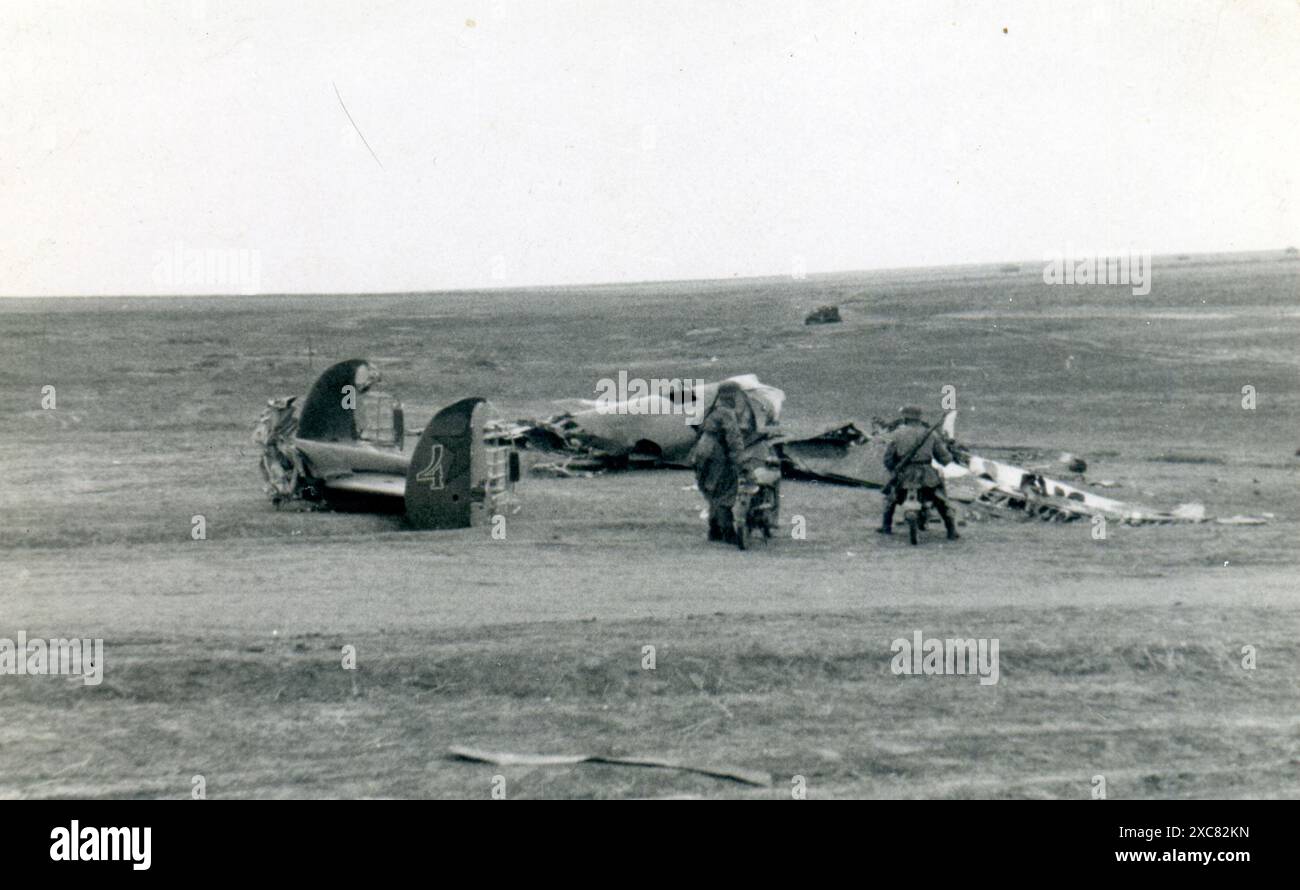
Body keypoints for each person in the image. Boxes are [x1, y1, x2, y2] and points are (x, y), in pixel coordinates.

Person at [689, 381, 756, 542]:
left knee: (713, 491)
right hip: (716, 453)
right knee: (725, 490)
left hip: (701, 451)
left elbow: (695, 425)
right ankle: (728, 532)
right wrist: (743, 464)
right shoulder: (727, 413)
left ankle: (714, 530)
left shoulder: (712, 410)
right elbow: (734, 440)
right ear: (734, 396)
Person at [880, 405, 960, 540]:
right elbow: (944, 458)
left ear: (905, 417)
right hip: (927, 474)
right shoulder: (931, 434)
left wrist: (895, 470)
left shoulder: (896, 434)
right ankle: (951, 529)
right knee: (940, 498)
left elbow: (888, 459)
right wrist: (950, 455)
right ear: (919, 418)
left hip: (905, 474)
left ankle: (886, 527)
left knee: (891, 497)